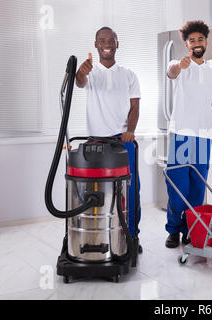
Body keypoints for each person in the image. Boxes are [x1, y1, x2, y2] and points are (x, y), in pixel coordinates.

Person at [164, 20, 212, 248]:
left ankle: (191, 230)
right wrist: (179, 66)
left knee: (197, 189)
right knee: (178, 188)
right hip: (181, 135)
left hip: (203, 136)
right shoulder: (179, 64)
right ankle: (174, 230)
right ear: (186, 44)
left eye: (200, 39)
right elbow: (170, 72)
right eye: (192, 40)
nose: (196, 43)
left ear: (206, 41)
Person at [75, 26, 142, 252]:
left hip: (123, 141)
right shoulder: (90, 72)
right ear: (96, 45)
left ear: (117, 43)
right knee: (97, 192)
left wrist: (130, 130)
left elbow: (135, 107)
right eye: (102, 40)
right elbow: (80, 82)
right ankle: (99, 236)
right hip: (96, 141)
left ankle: (132, 236)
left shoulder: (129, 75)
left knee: (131, 190)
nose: (106, 43)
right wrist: (81, 72)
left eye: (111, 40)